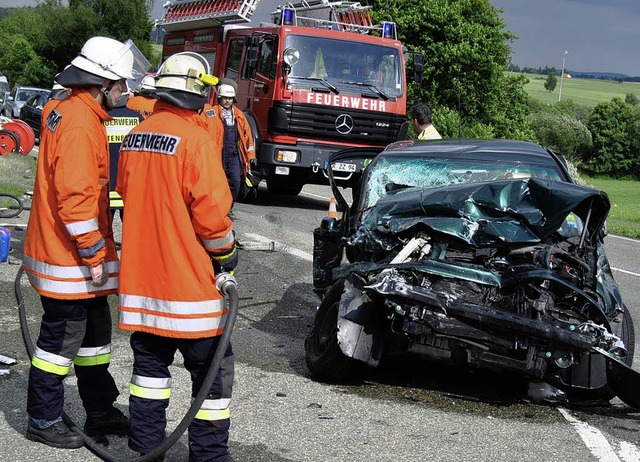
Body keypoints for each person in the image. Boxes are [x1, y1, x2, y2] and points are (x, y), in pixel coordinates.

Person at [22, 36, 149, 449]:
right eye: (121, 85)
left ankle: (99, 410)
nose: (126, 93)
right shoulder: (79, 121)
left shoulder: (66, 109)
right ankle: (42, 418)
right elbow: (75, 197)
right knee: (60, 342)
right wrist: (94, 251)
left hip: (63, 250)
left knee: (94, 335)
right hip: (69, 256)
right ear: (100, 83)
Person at [116, 52, 238, 461]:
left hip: (144, 288)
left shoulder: (136, 136)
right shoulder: (196, 140)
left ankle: (147, 450)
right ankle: (208, 456)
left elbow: (128, 195)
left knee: (149, 376)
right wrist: (228, 254)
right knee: (211, 378)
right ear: (198, 91)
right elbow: (211, 219)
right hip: (191, 293)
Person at [212, 78, 255, 214]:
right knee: (218, 183)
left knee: (236, 183)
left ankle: (228, 207)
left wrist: (250, 157)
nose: (227, 101)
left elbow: (247, 138)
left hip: (235, 155)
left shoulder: (239, 116)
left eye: (230, 98)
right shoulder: (212, 114)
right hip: (219, 154)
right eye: (225, 98)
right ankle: (218, 209)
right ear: (220, 98)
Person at [107, 82, 148, 223]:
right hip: (129, 186)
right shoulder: (138, 119)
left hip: (106, 185)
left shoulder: (101, 117)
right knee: (132, 231)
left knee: (104, 230)